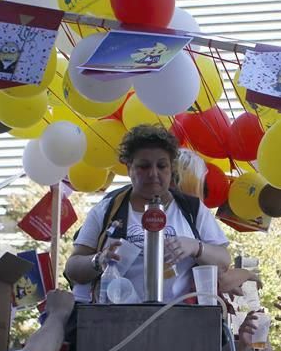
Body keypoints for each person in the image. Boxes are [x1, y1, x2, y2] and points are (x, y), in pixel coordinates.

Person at [65, 124, 230, 305]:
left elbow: (223, 261)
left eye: (161, 166)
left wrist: (196, 247)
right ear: (129, 168)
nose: (153, 173)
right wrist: (99, 260)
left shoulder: (192, 209)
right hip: (116, 321)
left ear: (171, 169)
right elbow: (73, 268)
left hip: (180, 320)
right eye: (144, 166)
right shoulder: (107, 209)